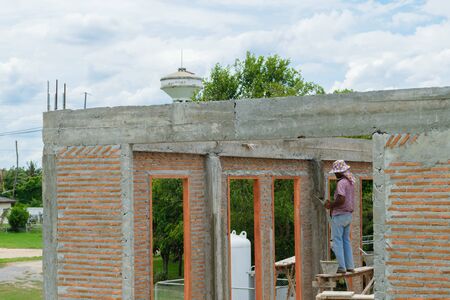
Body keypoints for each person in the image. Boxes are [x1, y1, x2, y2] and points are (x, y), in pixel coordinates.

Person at [325, 160, 355, 273]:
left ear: (339, 172)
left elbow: (341, 199)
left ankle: (342, 267)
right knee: (346, 240)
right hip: (348, 215)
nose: (335, 174)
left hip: (340, 215)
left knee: (337, 241)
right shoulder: (350, 181)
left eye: (335, 172)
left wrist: (330, 205)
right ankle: (350, 266)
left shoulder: (341, 182)